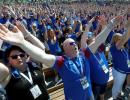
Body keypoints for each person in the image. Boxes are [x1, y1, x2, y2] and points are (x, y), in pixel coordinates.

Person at [110, 15, 130, 99]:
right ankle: (115, 98)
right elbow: (125, 37)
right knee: (116, 88)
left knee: (119, 86)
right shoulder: (115, 48)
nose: (122, 40)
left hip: (123, 72)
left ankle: (118, 96)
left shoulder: (122, 48)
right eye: (120, 39)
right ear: (115, 40)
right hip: (119, 72)